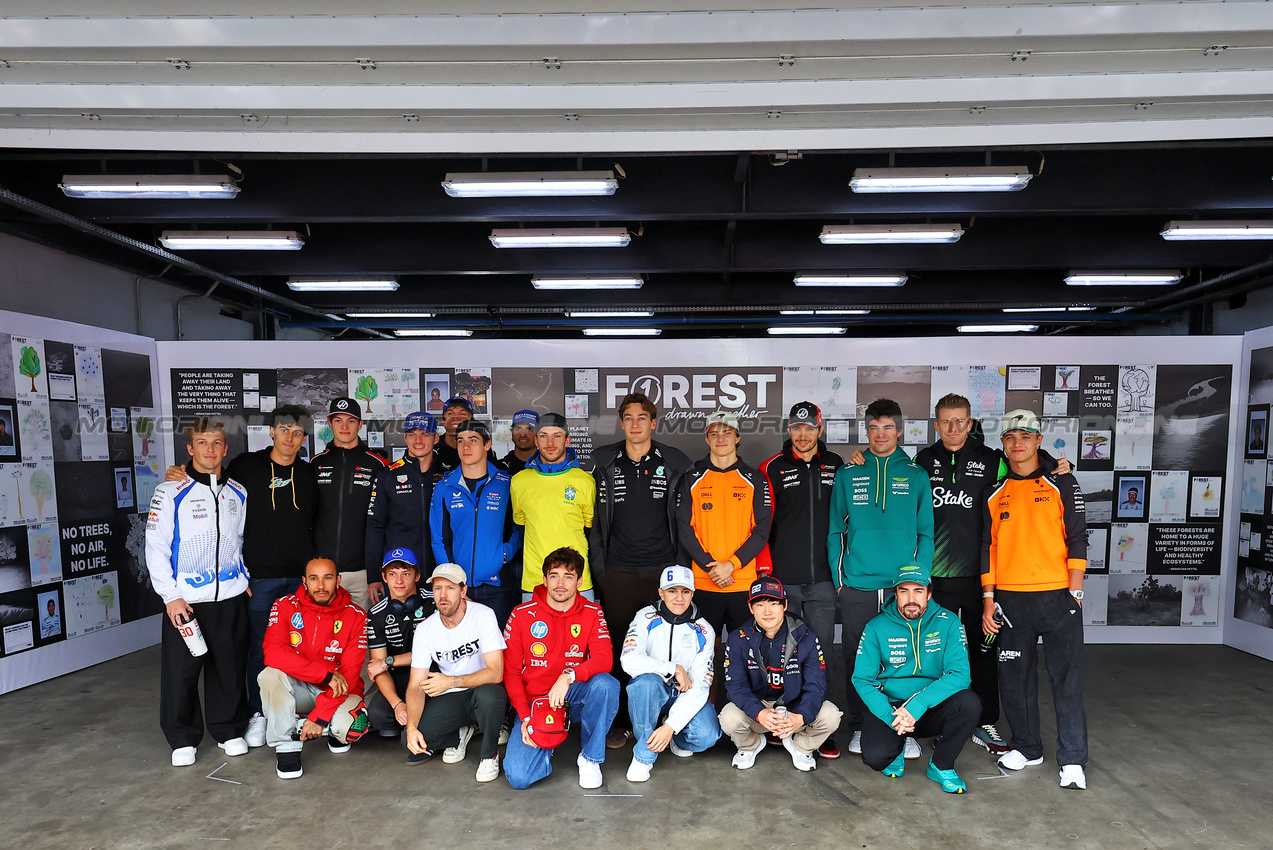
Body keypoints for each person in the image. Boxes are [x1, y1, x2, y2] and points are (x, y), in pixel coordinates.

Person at [161, 405, 318, 748]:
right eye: (284, 430)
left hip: (298, 581)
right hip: (259, 581)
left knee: (301, 647)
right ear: (272, 432)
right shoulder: (246, 467)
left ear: (304, 438)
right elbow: (206, 476)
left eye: (298, 433)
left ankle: (295, 711)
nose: (291, 438)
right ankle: (257, 713)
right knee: (258, 652)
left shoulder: (308, 474)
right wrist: (181, 472)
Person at [982, 408, 1090, 790]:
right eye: (1011, 437)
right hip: (1010, 601)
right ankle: (1028, 747)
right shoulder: (995, 491)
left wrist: (1074, 590)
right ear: (1003, 444)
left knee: (1066, 680)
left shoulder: (1062, 481)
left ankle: (1073, 758)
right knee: (1014, 680)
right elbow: (988, 548)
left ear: (1038, 440)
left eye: (1025, 436)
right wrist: (988, 598)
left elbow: (1078, 537)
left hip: (1058, 596)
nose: (1018, 443)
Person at [828, 398, 933, 758]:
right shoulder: (848, 473)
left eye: (888, 427)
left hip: (900, 586)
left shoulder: (917, 475)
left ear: (899, 431)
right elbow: (835, 531)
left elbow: (926, 533)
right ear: (866, 431)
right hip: (858, 583)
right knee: (860, 660)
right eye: (873, 427)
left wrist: (918, 584)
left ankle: (905, 725)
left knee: (905, 658)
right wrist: (840, 578)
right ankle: (859, 725)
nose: (880, 434)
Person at [145, 416, 251, 767]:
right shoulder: (169, 491)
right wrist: (170, 596)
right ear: (190, 449)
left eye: (217, 443)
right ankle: (182, 737)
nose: (210, 449)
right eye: (202, 443)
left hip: (231, 596)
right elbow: (155, 547)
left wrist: (244, 578)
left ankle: (229, 729)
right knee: (182, 672)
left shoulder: (238, 492)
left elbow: (238, 542)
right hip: (186, 601)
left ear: (226, 448)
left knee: (229, 668)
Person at [590, 391, 693, 749]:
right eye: (628, 418)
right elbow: (596, 524)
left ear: (653, 422)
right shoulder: (603, 460)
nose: (635, 424)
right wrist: (601, 570)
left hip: (661, 573)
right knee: (621, 647)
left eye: (642, 418)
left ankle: (669, 723)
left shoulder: (675, 461)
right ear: (622, 423)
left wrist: (679, 569)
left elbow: (684, 521)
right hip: (617, 572)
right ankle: (621, 722)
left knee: (666, 648)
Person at [757, 400, 843, 758]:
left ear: (820, 431)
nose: (803, 434)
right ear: (788, 431)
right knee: (782, 654)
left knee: (820, 655)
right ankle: (780, 721)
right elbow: (761, 526)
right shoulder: (770, 468)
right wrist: (766, 574)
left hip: (823, 580)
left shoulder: (838, 466)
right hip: (784, 582)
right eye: (797, 428)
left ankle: (818, 728)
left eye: (810, 428)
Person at [852, 562, 980, 793]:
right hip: (892, 709)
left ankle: (941, 765)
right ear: (895, 594)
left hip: (931, 706)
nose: (911, 598)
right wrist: (892, 716)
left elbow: (960, 675)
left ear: (929, 593)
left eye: (918, 590)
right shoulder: (876, 627)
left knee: (969, 703)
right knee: (875, 757)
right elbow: (862, 679)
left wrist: (917, 706)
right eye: (904, 591)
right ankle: (896, 749)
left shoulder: (949, 622)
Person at [502, 547, 619, 789]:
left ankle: (590, 759)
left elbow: (604, 659)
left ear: (580, 580)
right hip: (536, 703)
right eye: (554, 575)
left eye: (568, 576)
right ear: (544, 579)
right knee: (519, 777)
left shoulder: (592, 612)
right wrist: (524, 717)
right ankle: (547, 741)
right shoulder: (522, 614)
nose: (560, 583)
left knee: (607, 684)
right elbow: (510, 672)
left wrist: (569, 676)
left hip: (572, 696)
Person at [259, 557, 369, 780]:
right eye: (314, 578)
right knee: (270, 676)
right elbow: (273, 653)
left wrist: (319, 717)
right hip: (299, 688)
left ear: (338, 580)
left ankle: (333, 730)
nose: (321, 586)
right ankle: (286, 747)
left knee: (352, 727)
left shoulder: (356, 615)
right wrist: (325, 674)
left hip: (337, 691)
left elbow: (349, 673)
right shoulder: (284, 605)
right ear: (304, 581)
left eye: (328, 578)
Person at [719, 577, 841, 771]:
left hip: (794, 708)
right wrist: (759, 713)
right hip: (759, 708)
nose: (767, 612)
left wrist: (800, 716)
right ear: (751, 608)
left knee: (831, 715)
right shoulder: (738, 638)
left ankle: (801, 747)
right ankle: (750, 745)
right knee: (729, 717)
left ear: (784, 605)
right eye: (760, 605)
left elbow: (816, 685)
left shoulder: (805, 635)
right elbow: (735, 686)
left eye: (774, 603)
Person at [404, 563, 508, 782]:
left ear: (463, 591)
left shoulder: (483, 615)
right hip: (452, 697)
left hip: (484, 690)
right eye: (437, 588)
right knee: (410, 739)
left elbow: (496, 672)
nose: (443, 595)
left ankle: (489, 755)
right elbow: (415, 685)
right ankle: (461, 732)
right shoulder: (426, 629)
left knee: (490, 695)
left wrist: (451, 681)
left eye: (450, 588)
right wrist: (412, 726)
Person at [620, 565, 721, 782]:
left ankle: (673, 736)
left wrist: (670, 726)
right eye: (672, 591)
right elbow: (628, 660)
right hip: (653, 689)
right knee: (645, 683)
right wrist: (673, 669)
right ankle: (644, 755)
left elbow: (702, 684)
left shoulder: (705, 629)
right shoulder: (644, 617)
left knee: (707, 736)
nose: (679, 598)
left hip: (684, 694)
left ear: (692, 594)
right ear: (661, 593)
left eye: (685, 592)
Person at [676, 410, 772, 636]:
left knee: (745, 652)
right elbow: (684, 528)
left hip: (743, 582)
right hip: (703, 582)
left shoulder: (755, 479)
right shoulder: (691, 479)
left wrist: (731, 564)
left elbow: (762, 530)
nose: (721, 438)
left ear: (737, 437)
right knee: (704, 651)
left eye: (727, 433)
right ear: (706, 438)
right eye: (714, 433)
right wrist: (712, 567)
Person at [431, 419, 522, 629]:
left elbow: (518, 527)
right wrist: (452, 581)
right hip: (459, 588)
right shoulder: (444, 487)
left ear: (487, 444)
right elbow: (439, 539)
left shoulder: (507, 483)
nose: (466, 447)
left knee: (498, 651)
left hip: (498, 585)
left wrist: (504, 554)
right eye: (461, 441)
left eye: (473, 440)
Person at [511, 413, 597, 601]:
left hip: (577, 582)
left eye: (557, 436)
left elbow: (590, 530)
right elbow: (522, 526)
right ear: (536, 440)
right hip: (535, 582)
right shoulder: (519, 481)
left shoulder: (585, 481)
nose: (550, 443)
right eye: (543, 436)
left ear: (567, 441)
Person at [313, 397, 388, 610]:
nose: (344, 426)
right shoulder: (315, 463)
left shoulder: (379, 464)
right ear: (329, 423)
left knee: (361, 638)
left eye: (351, 421)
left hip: (362, 574)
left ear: (361, 424)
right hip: (324, 572)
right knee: (324, 639)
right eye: (338, 420)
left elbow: (384, 520)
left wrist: (375, 572)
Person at [365, 411, 445, 591]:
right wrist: (373, 576)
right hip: (400, 573)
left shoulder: (449, 474)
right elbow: (374, 526)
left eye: (425, 434)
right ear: (405, 438)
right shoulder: (388, 475)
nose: (418, 440)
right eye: (412, 434)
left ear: (436, 438)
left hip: (441, 572)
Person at [365, 548, 435, 739]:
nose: (399, 581)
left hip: (432, 674)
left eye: (406, 574)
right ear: (384, 577)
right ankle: (404, 719)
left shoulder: (434, 603)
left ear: (417, 575)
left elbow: (434, 652)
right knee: (378, 715)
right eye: (392, 574)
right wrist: (397, 704)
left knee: (432, 710)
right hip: (400, 678)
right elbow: (376, 668)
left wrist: (389, 661)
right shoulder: (376, 614)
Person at [435, 396, 475, 471]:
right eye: (450, 413)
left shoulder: (481, 447)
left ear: (472, 421)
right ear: (443, 421)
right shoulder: (432, 448)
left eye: (462, 414)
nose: (456, 418)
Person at [501, 409, 539, 474]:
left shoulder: (547, 467)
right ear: (512, 434)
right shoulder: (499, 467)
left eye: (529, 429)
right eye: (518, 429)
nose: (522, 435)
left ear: (538, 435)